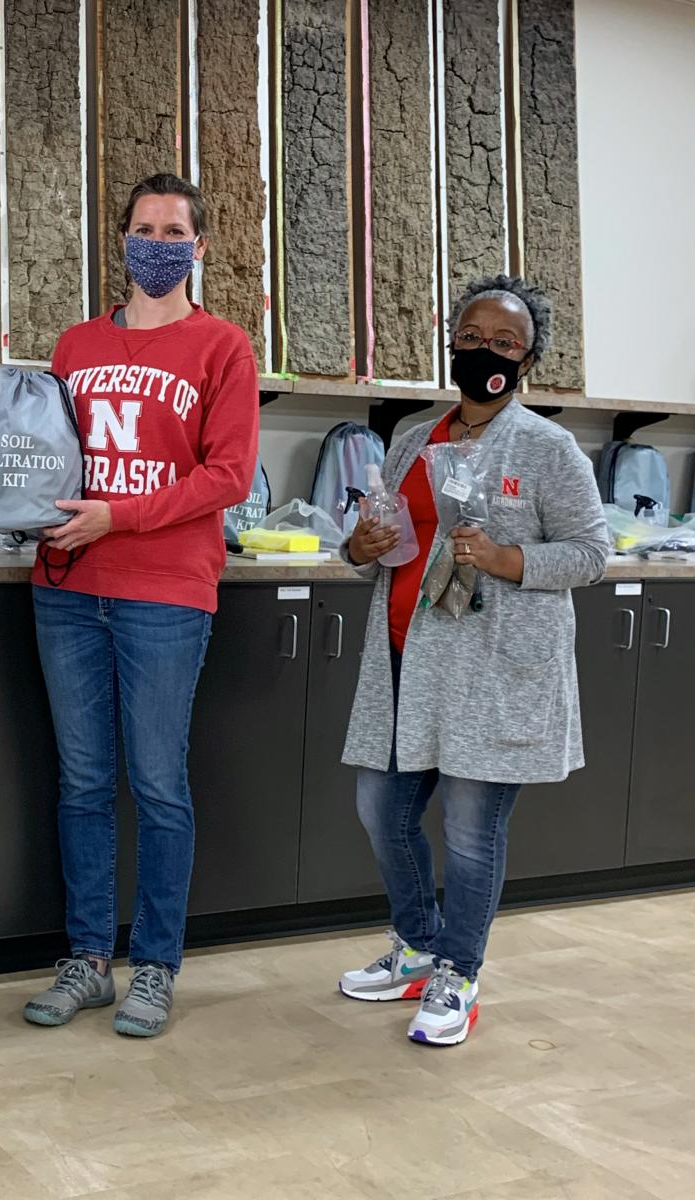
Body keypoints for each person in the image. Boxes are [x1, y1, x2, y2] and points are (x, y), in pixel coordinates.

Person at [337, 275, 609, 1045]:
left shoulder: (548, 448)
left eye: (506, 342)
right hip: (403, 661)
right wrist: (359, 548)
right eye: (473, 336)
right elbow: (382, 540)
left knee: (469, 828)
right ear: (449, 340)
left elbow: (592, 552)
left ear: (528, 359)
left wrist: (507, 557)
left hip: (492, 671)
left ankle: (458, 972)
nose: (485, 351)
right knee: (380, 810)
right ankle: (419, 945)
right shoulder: (413, 438)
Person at [22, 173, 259, 1037]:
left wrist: (114, 517)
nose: (155, 243)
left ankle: (155, 967)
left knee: (157, 785)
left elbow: (227, 476)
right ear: (119, 240)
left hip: (165, 592)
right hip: (67, 590)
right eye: (142, 228)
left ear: (198, 248)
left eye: (173, 231)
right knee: (83, 783)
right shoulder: (75, 344)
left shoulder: (222, 347)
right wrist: (23, 512)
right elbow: (44, 455)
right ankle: (87, 960)